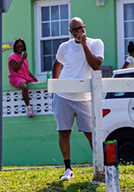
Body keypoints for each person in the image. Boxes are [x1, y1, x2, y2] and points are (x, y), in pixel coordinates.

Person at [51, 17, 104, 181]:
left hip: (84, 97)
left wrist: (84, 44)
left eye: (79, 28)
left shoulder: (96, 43)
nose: (77, 32)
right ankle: (68, 169)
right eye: (74, 30)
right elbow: (57, 64)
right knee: (64, 132)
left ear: (84, 27)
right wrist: (55, 88)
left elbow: (96, 65)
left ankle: (99, 166)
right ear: (70, 31)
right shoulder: (64, 47)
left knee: (90, 133)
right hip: (63, 96)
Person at [8, 39, 39, 118]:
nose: (20, 48)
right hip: (16, 78)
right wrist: (22, 59)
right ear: (15, 47)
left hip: (25, 77)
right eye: (18, 46)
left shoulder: (23, 56)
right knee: (24, 87)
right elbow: (15, 69)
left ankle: (38, 106)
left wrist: (35, 79)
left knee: (38, 86)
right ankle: (28, 108)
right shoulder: (12, 56)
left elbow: (26, 70)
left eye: (21, 46)